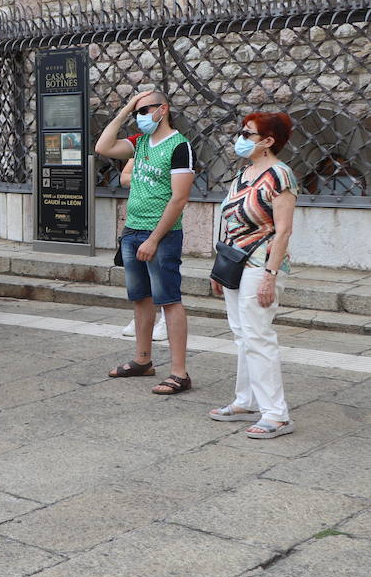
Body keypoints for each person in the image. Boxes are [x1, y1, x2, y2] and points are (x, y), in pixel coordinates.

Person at [95, 90, 196, 394]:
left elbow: (179, 199)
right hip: (132, 229)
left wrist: (154, 238)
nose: (140, 116)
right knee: (141, 298)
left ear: (162, 110)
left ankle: (180, 372)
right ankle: (143, 360)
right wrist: (126, 108)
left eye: (144, 109)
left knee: (169, 300)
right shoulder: (140, 142)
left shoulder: (179, 146)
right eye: (137, 111)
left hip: (160, 235)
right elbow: (103, 146)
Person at [208, 112, 298, 439]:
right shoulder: (244, 172)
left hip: (262, 262)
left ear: (268, 142)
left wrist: (270, 275)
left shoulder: (280, 176)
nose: (241, 137)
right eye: (242, 131)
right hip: (234, 260)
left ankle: (277, 414)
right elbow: (230, 220)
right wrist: (220, 265)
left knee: (258, 334)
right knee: (242, 333)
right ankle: (245, 400)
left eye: (248, 133)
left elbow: (284, 231)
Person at [118, 158, 167, 342]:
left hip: (159, 224)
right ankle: (144, 319)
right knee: (140, 284)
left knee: (162, 279)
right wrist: (149, 179)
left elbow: (172, 185)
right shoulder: (140, 149)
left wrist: (141, 178)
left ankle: (164, 320)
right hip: (135, 225)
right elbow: (124, 178)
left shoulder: (173, 147)